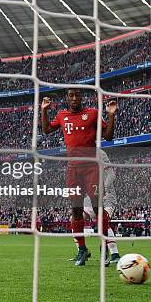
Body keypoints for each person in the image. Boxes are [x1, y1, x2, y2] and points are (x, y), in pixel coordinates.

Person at [41, 88, 116, 266]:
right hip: (73, 169)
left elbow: (109, 136)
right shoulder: (61, 115)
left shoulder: (92, 114)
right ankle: (82, 250)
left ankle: (104, 246)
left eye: (77, 95)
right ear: (67, 98)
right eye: (71, 95)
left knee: (98, 209)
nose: (74, 98)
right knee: (76, 209)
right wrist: (44, 110)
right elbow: (46, 130)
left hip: (91, 168)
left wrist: (111, 115)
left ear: (82, 98)